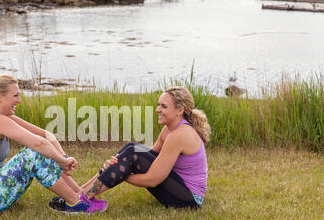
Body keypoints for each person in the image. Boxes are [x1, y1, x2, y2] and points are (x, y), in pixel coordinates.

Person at [0, 70, 107, 214]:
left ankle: (81, 195)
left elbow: (45, 135)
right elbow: (38, 144)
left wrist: (62, 158)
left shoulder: (3, 117)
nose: (19, 100)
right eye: (15, 96)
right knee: (35, 154)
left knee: (45, 152)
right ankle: (76, 203)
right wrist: (60, 160)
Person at [49, 86, 211, 210]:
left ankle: (78, 201)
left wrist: (121, 173)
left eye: (164, 106)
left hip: (189, 199)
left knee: (131, 153)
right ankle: (78, 195)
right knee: (131, 148)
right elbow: (149, 157)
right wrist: (117, 167)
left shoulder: (180, 135)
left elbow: (153, 179)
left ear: (180, 110)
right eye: (158, 105)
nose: (158, 110)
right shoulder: (169, 129)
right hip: (178, 186)